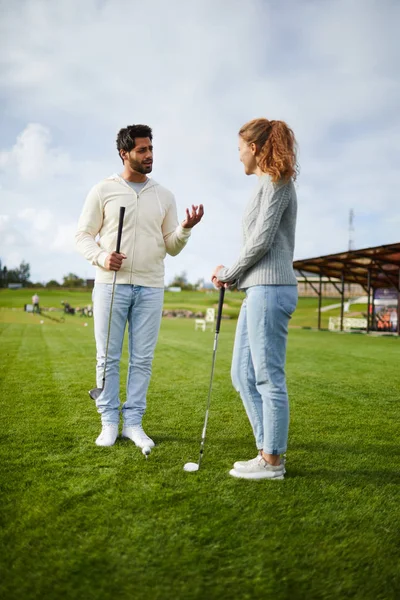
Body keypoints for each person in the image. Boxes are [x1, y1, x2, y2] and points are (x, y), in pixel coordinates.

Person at [76, 124, 203, 447]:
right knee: (108, 357)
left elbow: (171, 245)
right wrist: (102, 257)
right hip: (110, 285)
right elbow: (83, 236)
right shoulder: (103, 190)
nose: (149, 156)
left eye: (150, 149)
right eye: (142, 150)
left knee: (142, 360)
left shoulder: (164, 195)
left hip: (151, 287)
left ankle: (133, 423)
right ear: (125, 153)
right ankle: (108, 423)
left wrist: (185, 228)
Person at [212, 118, 298, 480]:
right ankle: (266, 450)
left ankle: (273, 462)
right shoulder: (265, 184)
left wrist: (230, 273)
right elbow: (257, 244)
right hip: (256, 288)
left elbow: (262, 241)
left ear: (254, 148)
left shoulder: (277, 181)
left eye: (239, 149)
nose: (238, 156)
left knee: (267, 377)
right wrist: (235, 276)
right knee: (241, 375)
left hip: (271, 289)